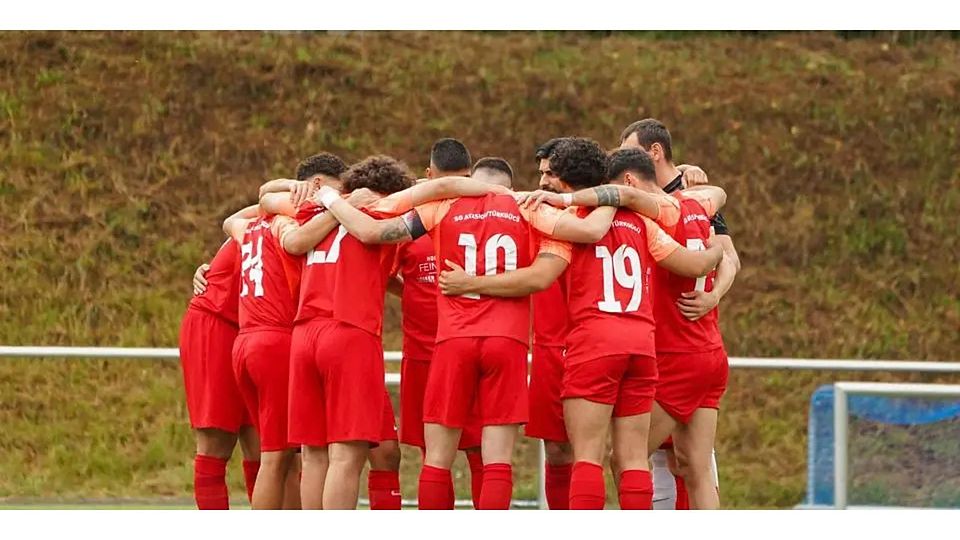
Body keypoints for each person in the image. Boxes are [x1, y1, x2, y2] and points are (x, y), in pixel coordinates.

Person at [315, 156, 619, 509]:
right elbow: (580, 238)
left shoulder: (441, 207)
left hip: (453, 340)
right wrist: (616, 197)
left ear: (472, 180)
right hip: (507, 341)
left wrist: (331, 198)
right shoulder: (528, 208)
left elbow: (373, 231)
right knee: (496, 460)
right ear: (509, 184)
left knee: (436, 459)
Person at [438, 137, 723, 509]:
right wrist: (717, 250)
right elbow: (693, 257)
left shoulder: (564, 223)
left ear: (562, 180)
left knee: (587, 456)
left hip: (593, 344)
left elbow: (541, 276)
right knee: (633, 459)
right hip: (641, 344)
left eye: (550, 174)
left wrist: (469, 283)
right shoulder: (641, 220)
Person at [620, 119, 738, 508]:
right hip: (706, 350)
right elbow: (719, 196)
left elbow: (728, 258)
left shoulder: (657, 211)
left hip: (676, 354)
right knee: (691, 465)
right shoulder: (698, 201)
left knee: (627, 459)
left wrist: (713, 293)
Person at [393, 138, 485, 508]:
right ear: (428, 176)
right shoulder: (410, 222)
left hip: (470, 348)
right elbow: (382, 273)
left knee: (479, 449)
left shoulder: (484, 217)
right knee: (433, 454)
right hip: (422, 354)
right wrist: (412, 291)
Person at [180, 229, 260, 509]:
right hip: (218, 324)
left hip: (257, 330)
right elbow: (240, 218)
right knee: (216, 443)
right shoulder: (270, 215)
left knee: (268, 448)